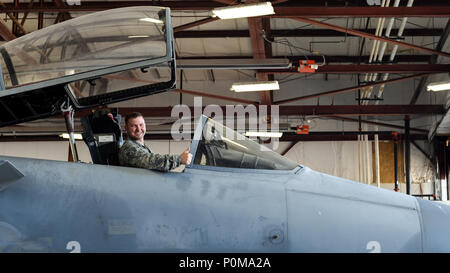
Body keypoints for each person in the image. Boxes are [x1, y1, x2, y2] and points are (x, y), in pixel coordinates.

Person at [118, 112, 192, 172]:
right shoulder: (128, 149)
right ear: (126, 128)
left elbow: (157, 170)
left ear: (145, 125)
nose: (138, 129)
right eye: (133, 126)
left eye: (141, 125)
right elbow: (152, 161)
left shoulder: (143, 148)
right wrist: (179, 159)